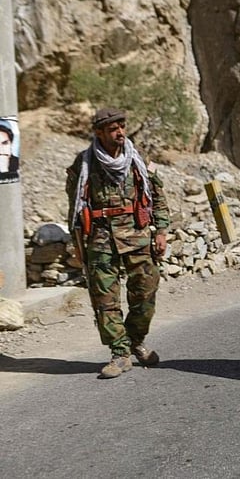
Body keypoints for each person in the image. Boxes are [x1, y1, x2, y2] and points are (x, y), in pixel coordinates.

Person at [66, 107, 170, 379]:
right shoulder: (84, 163)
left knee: (146, 292)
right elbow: (75, 207)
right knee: (105, 300)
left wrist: (161, 231)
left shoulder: (137, 158)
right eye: (113, 129)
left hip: (137, 235)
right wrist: (78, 245)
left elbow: (157, 196)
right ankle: (120, 353)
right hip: (100, 239)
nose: (120, 132)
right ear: (99, 133)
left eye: (122, 126)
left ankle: (135, 340)